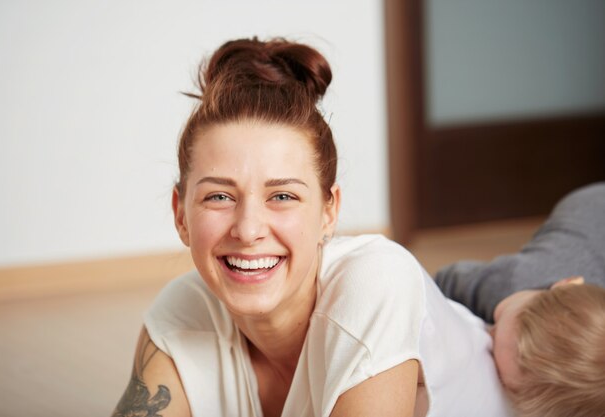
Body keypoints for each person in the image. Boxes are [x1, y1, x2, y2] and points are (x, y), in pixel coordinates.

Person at [111, 37, 511, 417]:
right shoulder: (179, 315)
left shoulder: (376, 281)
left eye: (282, 196)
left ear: (328, 211)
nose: (248, 230)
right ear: (181, 214)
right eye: (219, 196)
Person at [436, 182, 605, 417]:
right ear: (565, 283)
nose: (488, 335)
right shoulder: (510, 281)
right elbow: (444, 281)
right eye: (497, 325)